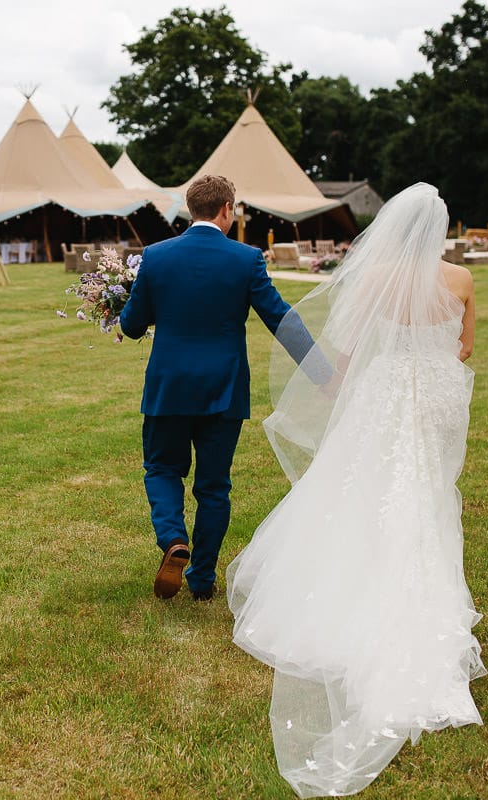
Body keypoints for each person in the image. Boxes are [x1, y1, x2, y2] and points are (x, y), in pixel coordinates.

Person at [225, 183, 483, 798]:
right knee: (423, 493)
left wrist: (340, 383)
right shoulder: (462, 281)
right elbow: (466, 348)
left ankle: (344, 590)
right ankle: (423, 605)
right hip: (433, 396)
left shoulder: (375, 280)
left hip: (385, 392)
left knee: (360, 486)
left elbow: (345, 346)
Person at [119, 175, 330, 602]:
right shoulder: (246, 259)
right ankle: (201, 578)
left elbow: (132, 324)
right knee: (214, 486)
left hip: (169, 387)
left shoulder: (155, 257)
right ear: (227, 209)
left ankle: (173, 538)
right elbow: (281, 319)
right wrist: (323, 374)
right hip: (224, 389)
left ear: (189, 208)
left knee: (162, 468)